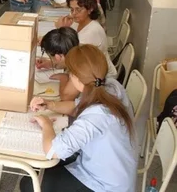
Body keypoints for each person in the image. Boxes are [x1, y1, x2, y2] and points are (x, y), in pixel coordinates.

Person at [22, 44, 137, 192]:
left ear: (76, 77)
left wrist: (46, 124)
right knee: (39, 169)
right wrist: (50, 105)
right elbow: (77, 106)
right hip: (112, 170)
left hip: (104, 185)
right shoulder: (109, 86)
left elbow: (52, 150)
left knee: (30, 182)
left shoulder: (96, 116)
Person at [55, 0, 117, 78]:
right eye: (72, 10)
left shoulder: (92, 31)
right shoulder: (79, 22)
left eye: (78, 9)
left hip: (100, 77)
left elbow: (72, 57)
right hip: (87, 68)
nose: (74, 13)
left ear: (90, 9)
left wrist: (61, 30)